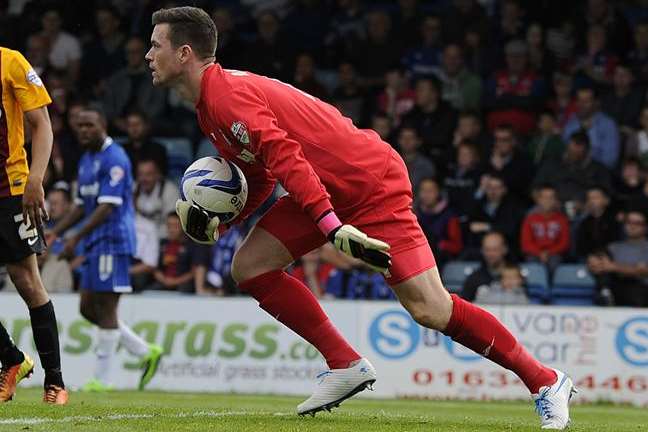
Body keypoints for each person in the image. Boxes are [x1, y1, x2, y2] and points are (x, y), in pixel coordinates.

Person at [147, 7, 575, 428]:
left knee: (430, 309)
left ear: (185, 53)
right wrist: (226, 226)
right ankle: (344, 363)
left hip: (369, 184)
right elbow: (259, 175)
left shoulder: (227, 97)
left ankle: (545, 381)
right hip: (321, 189)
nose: (148, 55)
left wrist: (330, 226)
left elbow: (286, 155)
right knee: (250, 267)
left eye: (155, 45)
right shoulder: (209, 107)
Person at [48, 107, 162, 392]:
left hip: (113, 240)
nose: (83, 130)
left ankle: (102, 380)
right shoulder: (86, 160)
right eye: (80, 126)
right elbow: (79, 205)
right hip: (95, 242)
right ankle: (144, 350)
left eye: (89, 125)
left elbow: (107, 206)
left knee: (107, 308)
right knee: (88, 308)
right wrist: (57, 231)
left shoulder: (115, 158)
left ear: (103, 125)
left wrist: (74, 238)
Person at [0, 46, 68, 404]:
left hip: (10, 190)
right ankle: (12, 360)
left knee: (26, 281)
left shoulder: (11, 62)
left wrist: (35, 180)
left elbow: (42, 124)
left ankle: (54, 383)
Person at [587, 208, 648, 307]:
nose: (632, 226)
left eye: (637, 223)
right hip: (616, 288)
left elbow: (644, 271)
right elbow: (601, 263)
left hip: (641, 291)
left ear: (645, 227)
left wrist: (614, 267)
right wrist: (593, 263)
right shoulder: (614, 247)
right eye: (628, 222)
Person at [562, 87, 620, 170]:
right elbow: (563, 151)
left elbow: (610, 160)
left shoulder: (608, 125)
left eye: (586, 101)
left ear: (596, 103)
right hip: (570, 171)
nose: (581, 105)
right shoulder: (571, 123)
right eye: (579, 100)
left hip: (596, 173)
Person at [520, 185, 570, 272]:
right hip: (534, 254)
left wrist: (548, 253)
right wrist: (539, 253)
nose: (548, 201)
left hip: (555, 254)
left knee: (555, 263)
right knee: (532, 264)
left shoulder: (562, 219)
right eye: (544, 197)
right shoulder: (530, 219)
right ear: (538, 200)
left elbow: (564, 243)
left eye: (551, 197)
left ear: (556, 200)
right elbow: (526, 243)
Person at [460, 231, 510, 302]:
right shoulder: (474, 279)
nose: (491, 254)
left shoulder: (515, 277)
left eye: (495, 249)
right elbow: (464, 305)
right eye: (487, 250)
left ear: (505, 249)